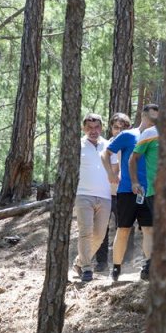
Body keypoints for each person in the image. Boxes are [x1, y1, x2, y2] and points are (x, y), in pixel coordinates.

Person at [102, 104, 156, 281]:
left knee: (148, 229)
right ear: (143, 116)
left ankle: (148, 267)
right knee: (124, 229)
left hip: (148, 192)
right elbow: (106, 153)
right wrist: (111, 173)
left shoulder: (157, 137)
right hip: (127, 190)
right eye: (151, 117)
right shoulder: (128, 135)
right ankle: (116, 268)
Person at [73, 114, 112, 282]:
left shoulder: (109, 145)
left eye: (96, 127)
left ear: (101, 128)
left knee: (99, 235)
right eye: (89, 128)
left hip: (105, 195)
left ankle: (79, 262)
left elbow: (115, 168)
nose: (93, 131)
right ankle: (87, 268)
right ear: (84, 128)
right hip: (83, 194)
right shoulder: (77, 145)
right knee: (85, 231)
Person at [94, 112, 131, 272]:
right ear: (110, 128)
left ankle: (125, 259)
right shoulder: (104, 145)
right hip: (105, 191)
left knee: (124, 226)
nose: (118, 131)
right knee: (101, 227)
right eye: (116, 127)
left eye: (122, 128)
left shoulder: (132, 144)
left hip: (125, 191)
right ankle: (101, 262)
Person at [128, 105, 160, 280]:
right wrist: (135, 181)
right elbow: (133, 159)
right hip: (155, 191)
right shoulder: (149, 133)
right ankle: (149, 267)